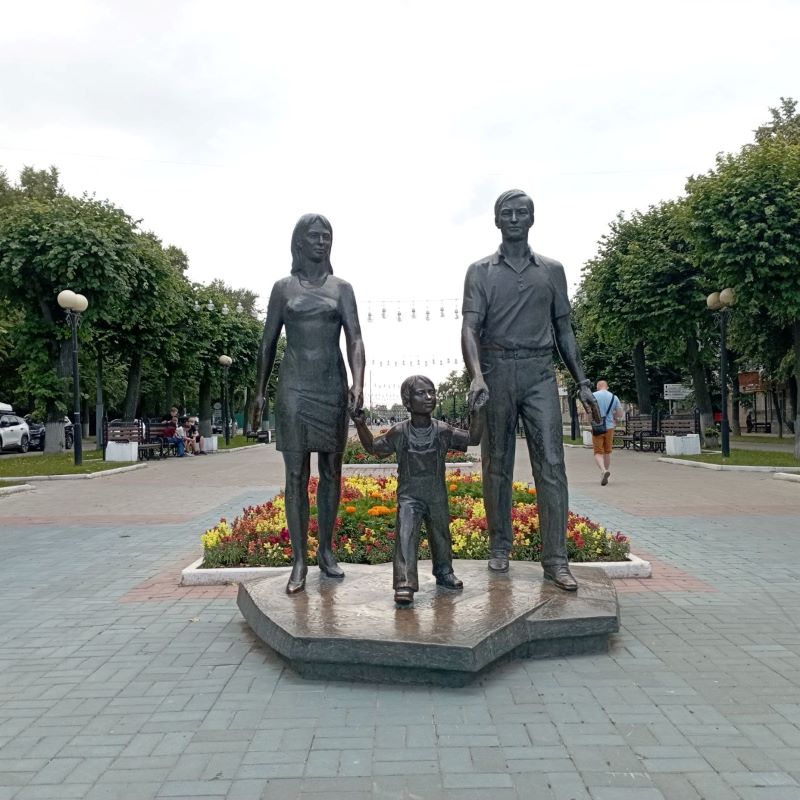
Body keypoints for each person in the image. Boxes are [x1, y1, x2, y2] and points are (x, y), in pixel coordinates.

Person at [461, 189, 600, 592]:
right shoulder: (480, 271)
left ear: (532, 219)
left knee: (552, 464)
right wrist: (476, 375)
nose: (514, 218)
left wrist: (582, 382)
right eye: (507, 213)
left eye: (521, 212)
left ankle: (556, 560)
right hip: (496, 371)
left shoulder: (552, 271)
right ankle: (499, 546)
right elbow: (469, 328)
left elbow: (564, 332)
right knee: (496, 464)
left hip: (540, 373)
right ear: (496, 220)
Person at [251, 213, 365, 595]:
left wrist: (358, 382)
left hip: (331, 387)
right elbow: (267, 342)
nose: (321, 241)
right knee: (296, 475)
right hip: (295, 389)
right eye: (314, 236)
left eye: (326, 236)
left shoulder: (342, 288)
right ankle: (299, 560)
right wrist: (259, 390)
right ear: (299, 242)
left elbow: (355, 339)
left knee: (331, 470)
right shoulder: (283, 289)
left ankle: (326, 551)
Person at [351, 375, 484, 605]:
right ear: (407, 401)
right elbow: (374, 448)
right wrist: (361, 424)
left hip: (436, 495)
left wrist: (478, 411)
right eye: (422, 393)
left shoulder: (442, 430)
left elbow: (472, 439)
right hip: (409, 497)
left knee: (441, 534)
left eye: (432, 392)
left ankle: (444, 572)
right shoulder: (399, 432)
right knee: (406, 535)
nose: (429, 397)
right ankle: (404, 584)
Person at [591, 380, 622, 485]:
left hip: (597, 427)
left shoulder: (593, 396)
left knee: (598, 452)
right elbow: (620, 414)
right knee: (607, 452)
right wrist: (614, 417)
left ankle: (603, 470)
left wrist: (591, 421)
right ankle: (605, 473)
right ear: (607, 387)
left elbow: (589, 412)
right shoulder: (614, 397)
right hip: (609, 427)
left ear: (597, 387)